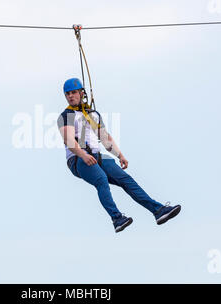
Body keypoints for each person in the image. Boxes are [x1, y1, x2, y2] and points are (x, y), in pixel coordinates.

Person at [57, 78, 181, 233]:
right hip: (77, 159)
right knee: (101, 179)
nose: (70, 96)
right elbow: (68, 140)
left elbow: (104, 138)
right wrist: (82, 155)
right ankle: (117, 219)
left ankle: (158, 211)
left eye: (74, 92)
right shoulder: (66, 115)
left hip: (96, 155)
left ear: (82, 93)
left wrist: (120, 155)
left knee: (125, 179)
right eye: (67, 94)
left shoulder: (92, 114)